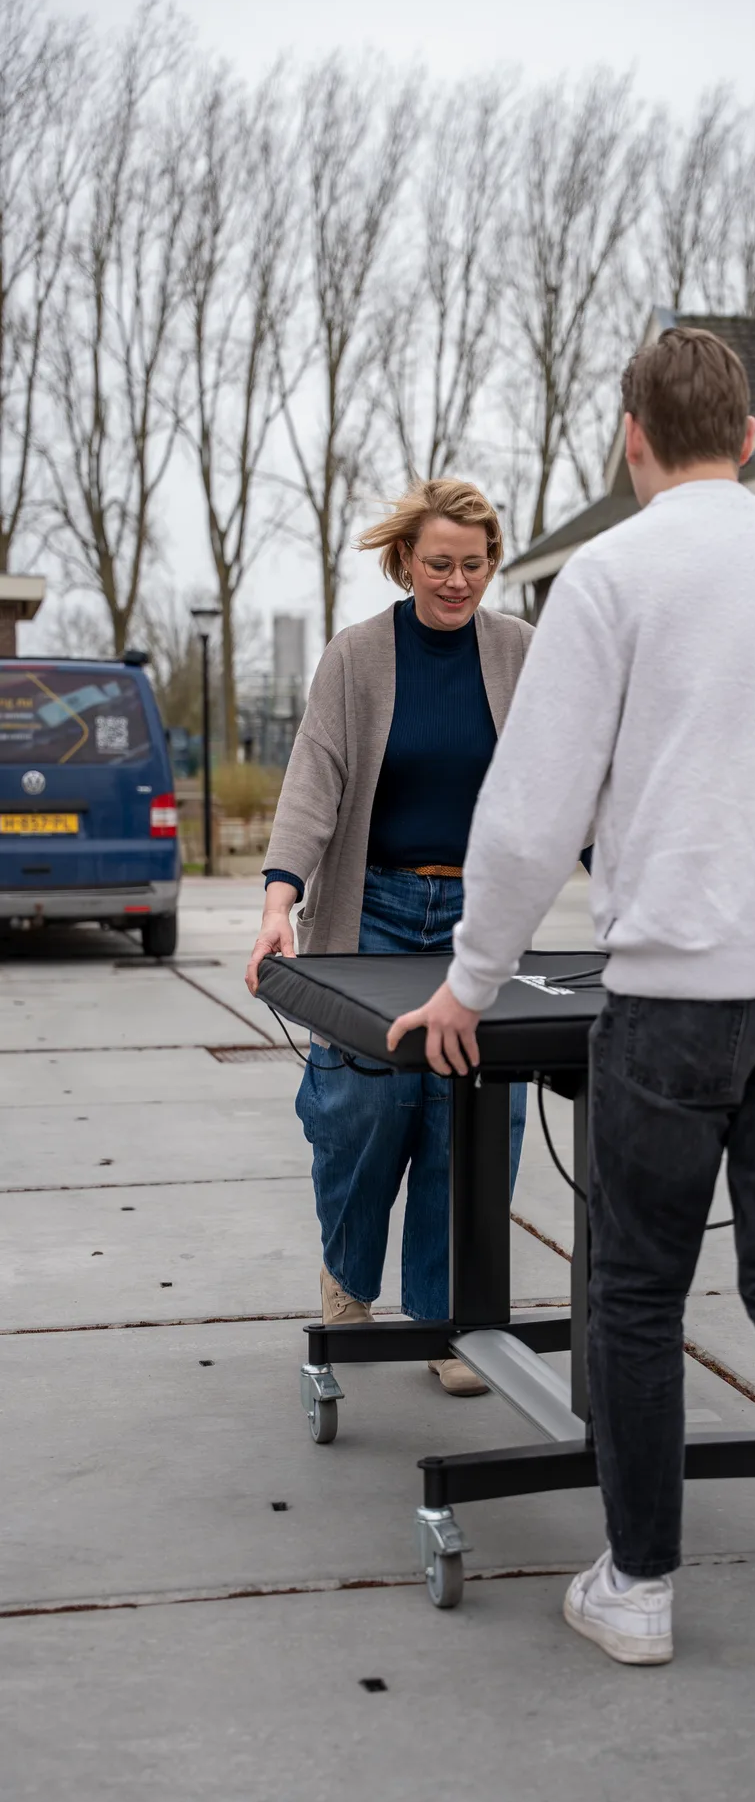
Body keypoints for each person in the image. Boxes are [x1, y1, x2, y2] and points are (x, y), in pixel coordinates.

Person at [388, 329, 755, 1738]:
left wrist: (469, 978)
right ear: (750, 438)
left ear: (632, 435)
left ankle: (637, 1586)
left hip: (677, 993)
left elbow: (530, 812)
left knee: (630, 1294)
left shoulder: (617, 576)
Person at [245, 478, 533, 1396]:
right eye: (440, 563)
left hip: (474, 922)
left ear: (492, 564)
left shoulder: (523, 653)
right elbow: (313, 786)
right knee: (361, 1109)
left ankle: (453, 1317)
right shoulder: (357, 657)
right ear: (405, 560)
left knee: (471, 1112)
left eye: (474, 565)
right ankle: (348, 1277)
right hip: (369, 911)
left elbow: (562, 783)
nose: (457, 581)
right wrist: (276, 902)